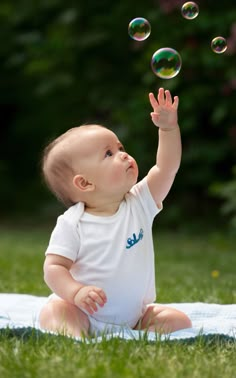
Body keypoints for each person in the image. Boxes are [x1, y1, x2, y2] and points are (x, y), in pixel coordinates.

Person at [39, 88, 192, 338]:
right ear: (85, 183)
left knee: (179, 320)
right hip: (83, 311)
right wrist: (76, 292)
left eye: (120, 147)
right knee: (56, 311)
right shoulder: (72, 223)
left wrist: (168, 129)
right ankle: (77, 336)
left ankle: (134, 333)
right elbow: (54, 267)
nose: (123, 154)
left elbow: (167, 168)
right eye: (109, 154)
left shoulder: (140, 202)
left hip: (132, 315)